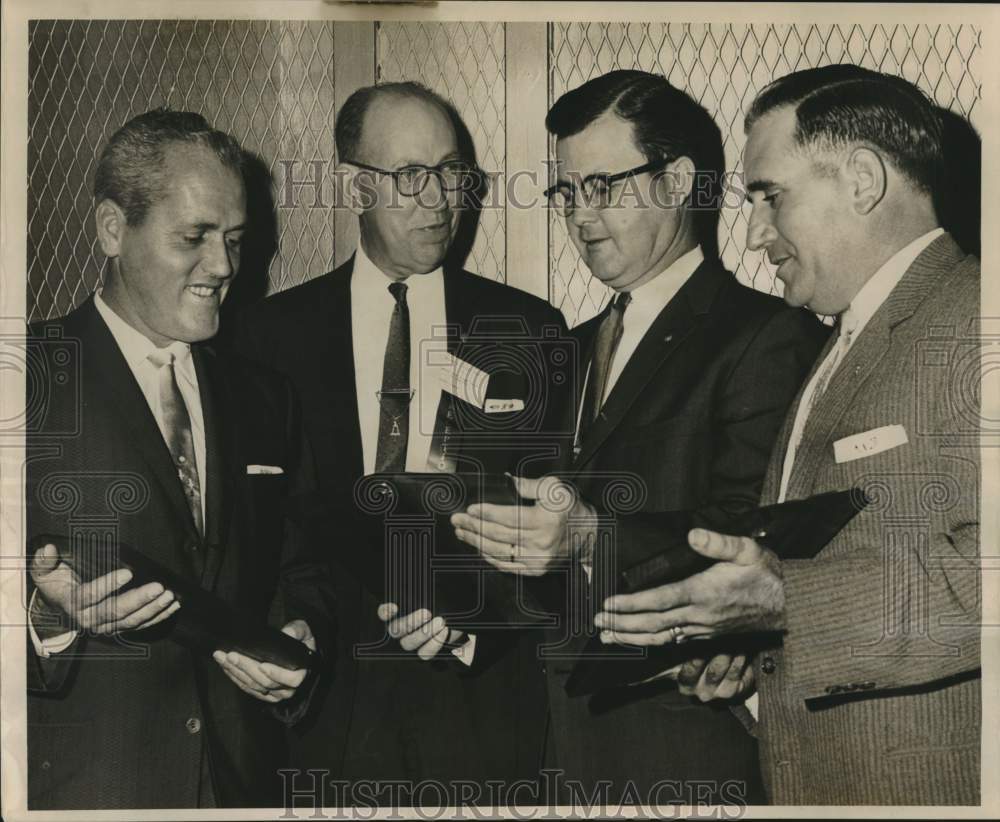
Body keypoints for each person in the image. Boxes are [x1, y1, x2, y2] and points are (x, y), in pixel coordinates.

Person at [595, 65, 981, 805]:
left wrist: (787, 605)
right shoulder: (839, 339)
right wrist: (753, 646)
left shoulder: (974, 322)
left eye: (771, 196)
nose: (752, 232)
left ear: (863, 180)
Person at [450, 70, 828, 805]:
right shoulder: (569, 345)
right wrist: (457, 610)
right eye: (566, 194)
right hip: (549, 749)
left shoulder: (766, 336)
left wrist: (594, 536)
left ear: (678, 179)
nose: (579, 216)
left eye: (603, 186)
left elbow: (751, 537)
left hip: (682, 745)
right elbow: (542, 555)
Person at [230, 81, 568, 803]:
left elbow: (551, 522)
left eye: (452, 173)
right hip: (320, 715)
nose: (441, 199)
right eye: (411, 176)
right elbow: (255, 531)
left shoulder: (527, 328)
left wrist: (471, 618)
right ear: (354, 184)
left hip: (481, 715)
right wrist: (285, 627)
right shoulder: (266, 339)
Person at [25, 109, 332, 810]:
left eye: (234, 239)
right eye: (193, 238)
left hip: (242, 786)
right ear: (112, 228)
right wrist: (46, 615)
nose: (223, 266)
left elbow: (301, 563)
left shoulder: (266, 397)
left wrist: (299, 630)